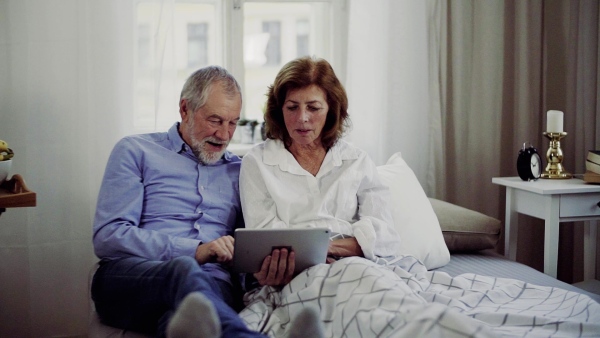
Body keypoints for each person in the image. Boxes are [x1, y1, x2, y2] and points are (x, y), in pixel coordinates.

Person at [91, 66, 322, 338]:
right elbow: (108, 237)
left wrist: (263, 272)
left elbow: (247, 247)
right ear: (185, 109)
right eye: (215, 120)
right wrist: (196, 251)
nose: (224, 135)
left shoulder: (242, 171)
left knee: (183, 323)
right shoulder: (135, 151)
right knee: (184, 268)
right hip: (133, 278)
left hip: (215, 284)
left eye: (233, 123)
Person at [239, 56, 402, 287]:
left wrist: (331, 248)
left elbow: (385, 234)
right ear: (279, 110)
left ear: (331, 110)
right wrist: (326, 251)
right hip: (296, 276)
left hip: (359, 266)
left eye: (313, 108)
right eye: (292, 107)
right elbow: (265, 240)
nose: (302, 118)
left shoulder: (356, 160)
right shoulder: (257, 162)